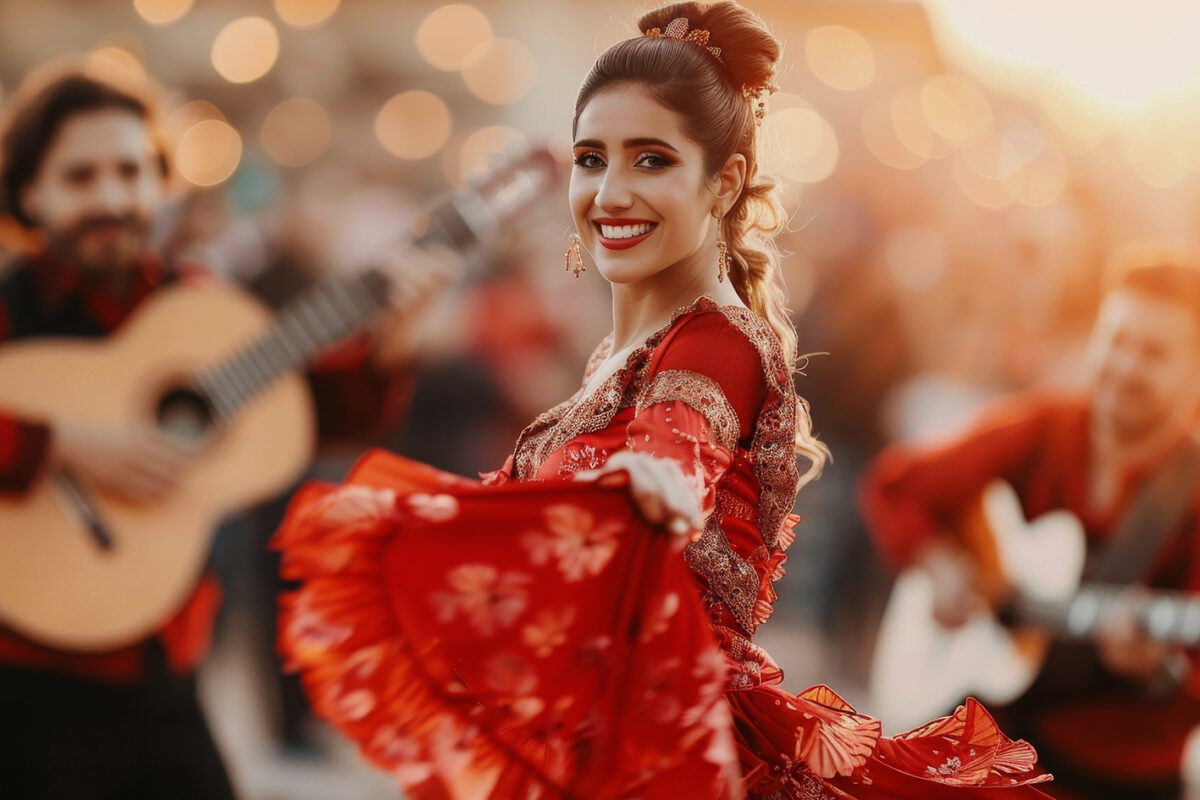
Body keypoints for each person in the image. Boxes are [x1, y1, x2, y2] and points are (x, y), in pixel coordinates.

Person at [273, 3, 1052, 798]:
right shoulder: (624, 353)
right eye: (591, 158)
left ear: (725, 183)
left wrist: (657, 489)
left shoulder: (717, 342)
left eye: (650, 160)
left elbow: (675, 456)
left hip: (661, 754)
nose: (609, 192)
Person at [0, 66, 438, 799]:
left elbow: (310, 415)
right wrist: (59, 443)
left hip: (163, 686)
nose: (112, 197)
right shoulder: (10, 311)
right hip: (19, 690)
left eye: (131, 172)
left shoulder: (199, 308)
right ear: (29, 194)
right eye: (81, 177)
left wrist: (390, 346)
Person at [860, 246, 1200, 800]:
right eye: (1117, 341)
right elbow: (896, 486)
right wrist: (941, 565)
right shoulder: (1048, 427)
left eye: (1155, 353)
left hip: (1112, 774)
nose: (1127, 367)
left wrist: (1158, 673)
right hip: (990, 732)